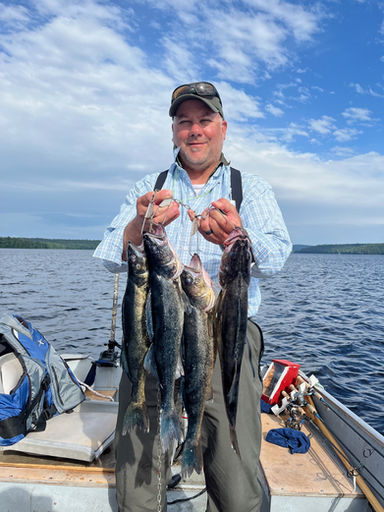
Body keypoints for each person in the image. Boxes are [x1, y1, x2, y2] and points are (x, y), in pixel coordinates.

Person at [93, 81, 292, 512]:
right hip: (154, 335)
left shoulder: (250, 188)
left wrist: (239, 238)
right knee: (139, 471)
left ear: (223, 127)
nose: (195, 130)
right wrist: (134, 229)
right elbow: (110, 254)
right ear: (174, 131)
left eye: (205, 121)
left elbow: (278, 253)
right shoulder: (151, 185)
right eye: (185, 122)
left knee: (233, 472)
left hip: (226, 337)